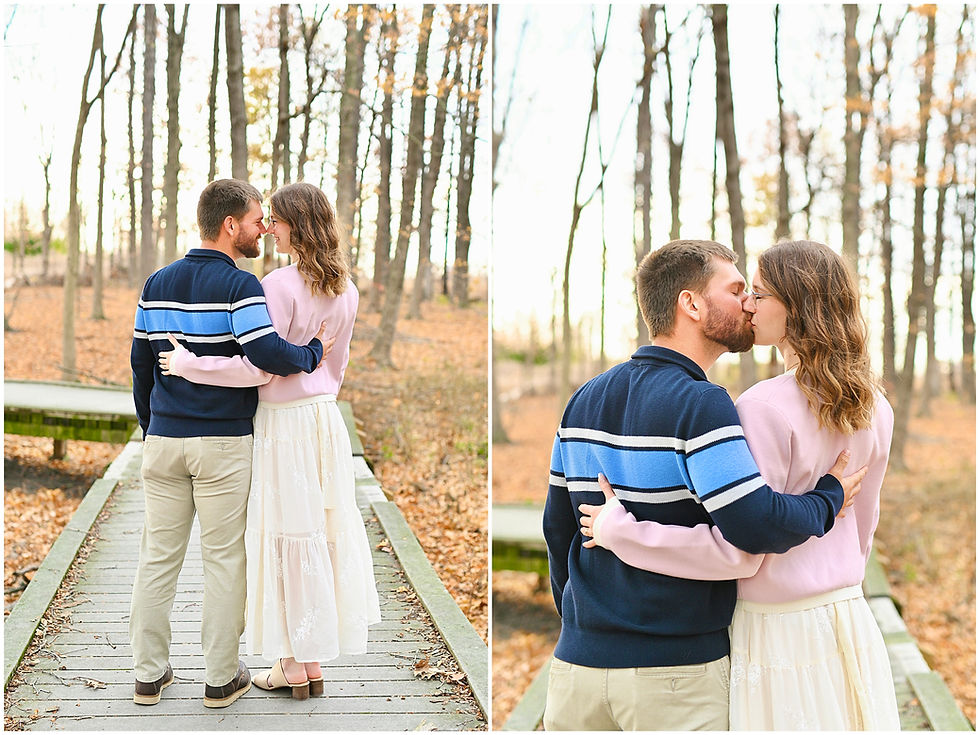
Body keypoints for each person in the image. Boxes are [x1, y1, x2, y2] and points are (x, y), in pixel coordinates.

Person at [542, 239, 867, 731]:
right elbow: (755, 525)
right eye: (737, 289)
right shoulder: (702, 404)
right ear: (691, 304)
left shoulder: (582, 399)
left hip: (575, 672)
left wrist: (585, 626)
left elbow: (557, 531)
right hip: (675, 676)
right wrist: (829, 498)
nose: (747, 303)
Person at [158, 181, 381, 700]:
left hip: (284, 426)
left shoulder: (278, 284)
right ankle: (311, 661)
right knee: (319, 535)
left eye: (275, 220)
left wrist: (194, 365)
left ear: (296, 225)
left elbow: (259, 369)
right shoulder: (346, 289)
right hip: (325, 421)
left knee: (285, 538)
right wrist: (316, 387)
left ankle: (290, 663)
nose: (269, 227)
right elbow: (337, 365)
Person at [130, 178, 328, 708]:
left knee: (156, 559)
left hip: (164, 440)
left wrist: (153, 427)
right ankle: (220, 680)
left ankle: (148, 675)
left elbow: (140, 368)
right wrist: (310, 354)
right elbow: (267, 353)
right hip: (222, 444)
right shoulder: (240, 287)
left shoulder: (156, 283)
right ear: (229, 225)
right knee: (223, 560)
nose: (264, 227)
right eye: (257, 218)